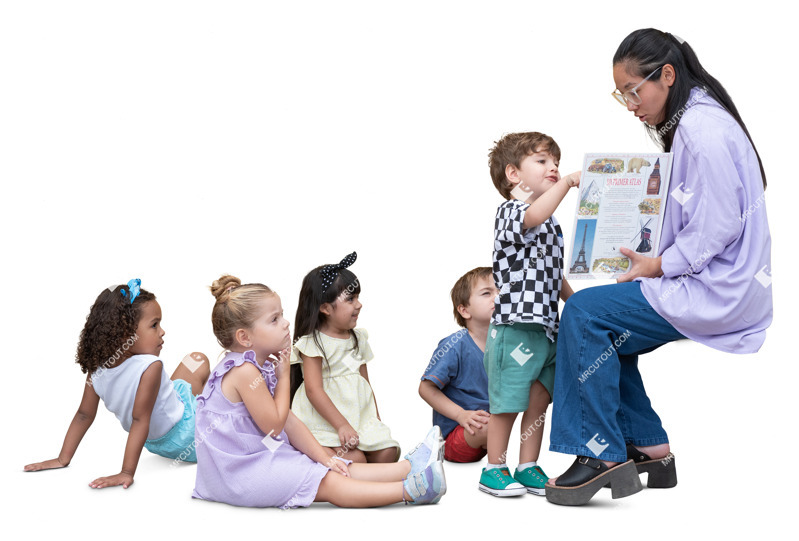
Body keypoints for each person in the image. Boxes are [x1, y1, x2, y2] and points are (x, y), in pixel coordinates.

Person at [545, 28, 772, 507]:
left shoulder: (700, 129)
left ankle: (600, 454)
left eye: (634, 90)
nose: (630, 103)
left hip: (715, 285)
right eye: (621, 93)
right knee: (604, 323)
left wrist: (660, 263)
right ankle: (650, 447)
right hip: (715, 279)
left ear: (667, 76)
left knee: (585, 314)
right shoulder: (699, 117)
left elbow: (721, 224)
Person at [192, 275, 446, 508]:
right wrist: (282, 378)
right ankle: (412, 491)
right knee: (329, 483)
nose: (285, 323)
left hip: (256, 459)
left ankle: (409, 467)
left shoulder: (255, 368)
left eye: (281, 315)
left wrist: (324, 458)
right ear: (244, 337)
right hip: (238, 474)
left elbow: (291, 423)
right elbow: (275, 426)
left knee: (336, 467)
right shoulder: (245, 372)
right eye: (274, 319)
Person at [24, 279, 210, 489]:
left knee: (196, 359)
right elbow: (140, 419)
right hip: (187, 438)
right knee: (204, 364)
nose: (162, 331)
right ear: (125, 334)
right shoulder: (151, 366)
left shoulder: (97, 370)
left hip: (152, 441)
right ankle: (208, 411)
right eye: (154, 325)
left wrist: (62, 458)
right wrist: (126, 472)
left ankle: (199, 403)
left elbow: (84, 415)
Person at [480, 132, 580, 497]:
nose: (553, 166)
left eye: (556, 161)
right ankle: (493, 468)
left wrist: (575, 302)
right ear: (513, 174)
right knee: (507, 400)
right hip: (515, 328)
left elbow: (554, 275)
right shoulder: (512, 211)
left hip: (546, 329)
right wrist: (568, 182)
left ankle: (527, 465)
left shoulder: (550, 225)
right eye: (542, 161)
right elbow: (535, 213)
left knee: (539, 399)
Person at [289, 252, 400, 463]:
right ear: (325, 308)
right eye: (350, 299)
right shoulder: (313, 343)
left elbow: (365, 382)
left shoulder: (359, 338)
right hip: (326, 421)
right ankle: (369, 484)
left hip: (359, 416)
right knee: (356, 459)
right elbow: (314, 390)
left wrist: (376, 422)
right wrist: (341, 425)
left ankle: (377, 483)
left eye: (358, 297)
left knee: (388, 451)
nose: (359, 304)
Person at [418, 267, 496, 463]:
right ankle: (496, 469)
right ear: (464, 310)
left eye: (501, 291)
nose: (498, 297)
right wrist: (460, 414)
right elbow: (425, 388)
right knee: (490, 425)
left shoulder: (505, 344)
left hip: (488, 434)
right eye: (487, 293)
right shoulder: (454, 345)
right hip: (456, 436)